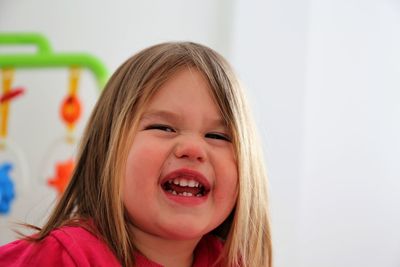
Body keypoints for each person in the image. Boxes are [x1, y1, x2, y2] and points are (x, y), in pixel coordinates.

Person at [0, 42, 272, 267]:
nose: (193, 149)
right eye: (163, 127)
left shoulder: (232, 263)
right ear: (107, 151)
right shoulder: (60, 258)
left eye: (217, 136)